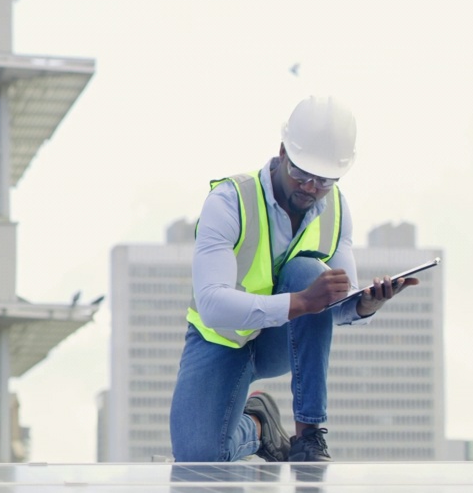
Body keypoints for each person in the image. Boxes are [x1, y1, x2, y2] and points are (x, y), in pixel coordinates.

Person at [169, 95, 417, 463]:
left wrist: (364, 304)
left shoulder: (336, 209)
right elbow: (212, 305)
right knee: (199, 456)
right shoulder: (229, 201)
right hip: (221, 341)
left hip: (279, 342)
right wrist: (301, 302)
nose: (310, 188)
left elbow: (334, 303)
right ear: (283, 152)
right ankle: (257, 424)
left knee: (309, 273)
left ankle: (309, 437)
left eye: (324, 180)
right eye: (301, 174)